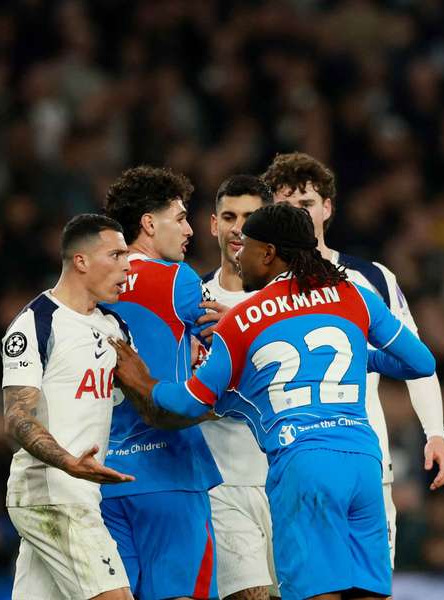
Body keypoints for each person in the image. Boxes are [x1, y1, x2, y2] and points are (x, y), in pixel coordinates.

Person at [110, 203, 436, 600]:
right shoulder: (354, 295)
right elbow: (421, 362)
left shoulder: (244, 319)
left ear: (267, 253)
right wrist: (361, 357)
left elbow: (191, 401)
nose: (238, 256)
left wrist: (144, 381)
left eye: (245, 246)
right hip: (364, 463)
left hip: (304, 464)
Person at [261, 152, 444, 565]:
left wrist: (435, 433)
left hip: (367, 461)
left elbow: (418, 362)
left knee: (371, 585)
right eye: (287, 206)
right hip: (288, 467)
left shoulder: (373, 278)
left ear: (327, 208)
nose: (298, 215)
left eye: (307, 204)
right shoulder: (256, 290)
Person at [101, 166, 223, 600]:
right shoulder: (178, 279)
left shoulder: (92, 284)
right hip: (169, 470)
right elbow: (229, 350)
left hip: (103, 476)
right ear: (149, 224)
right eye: (181, 218)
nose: (189, 230)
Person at [2, 213, 134, 600]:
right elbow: (16, 417)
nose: (127, 266)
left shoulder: (114, 328)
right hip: (52, 494)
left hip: (79, 495)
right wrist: (68, 462)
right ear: (81, 261)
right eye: (116, 255)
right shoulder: (36, 324)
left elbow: (138, 402)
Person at [200, 174, 280, 600]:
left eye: (250, 217)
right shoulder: (190, 301)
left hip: (289, 478)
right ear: (214, 224)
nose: (238, 228)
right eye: (229, 217)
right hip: (224, 484)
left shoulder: (290, 301)